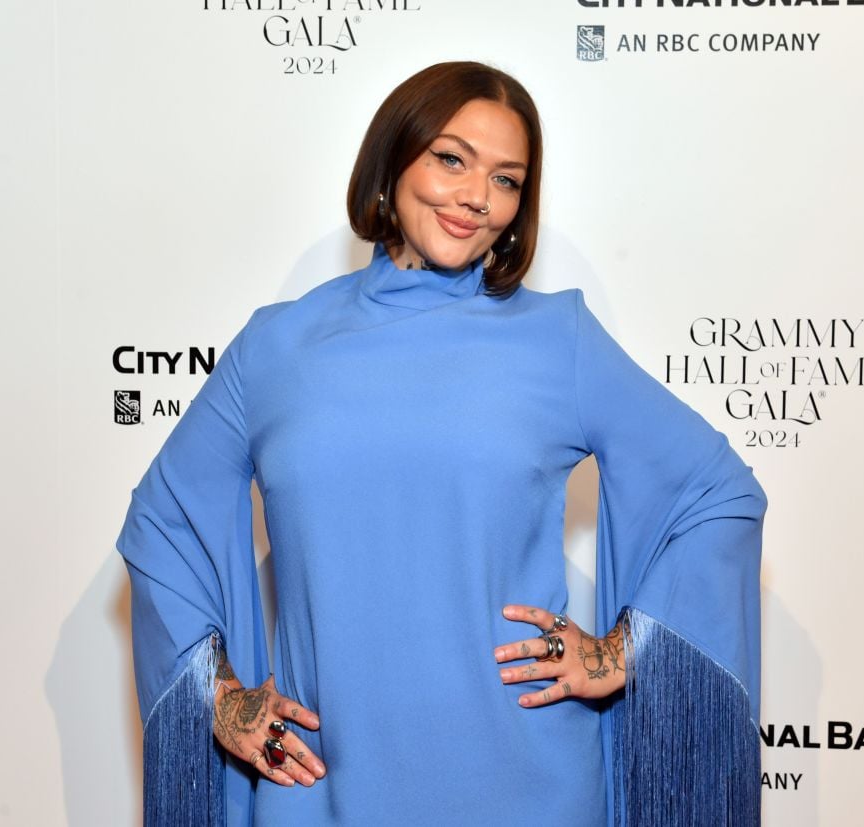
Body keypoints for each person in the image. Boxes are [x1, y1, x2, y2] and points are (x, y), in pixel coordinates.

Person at [116, 61, 768, 827]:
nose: (475, 197)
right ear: (394, 160)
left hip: (528, 784)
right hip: (320, 788)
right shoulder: (277, 348)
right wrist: (221, 697)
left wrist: (617, 654)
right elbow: (161, 524)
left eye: (507, 179)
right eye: (451, 159)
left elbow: (719, 493)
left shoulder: (557, 340)